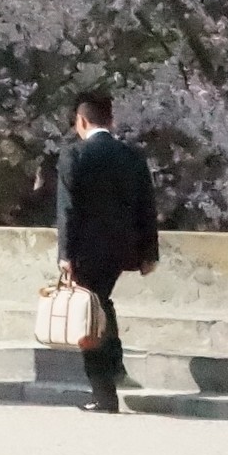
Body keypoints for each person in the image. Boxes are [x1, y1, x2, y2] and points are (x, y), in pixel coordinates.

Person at [56, 91, 161, 413]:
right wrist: (148, 252)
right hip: (122, 248)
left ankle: (104, 391)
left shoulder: (74, 156)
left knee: (89, 314)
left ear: (82, 121)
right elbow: (147, 206)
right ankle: (115, 368)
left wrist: (65, 253)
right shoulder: (131, 156)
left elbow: (68, 210)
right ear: (110, 121)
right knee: (100, 304)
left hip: (86, 249)